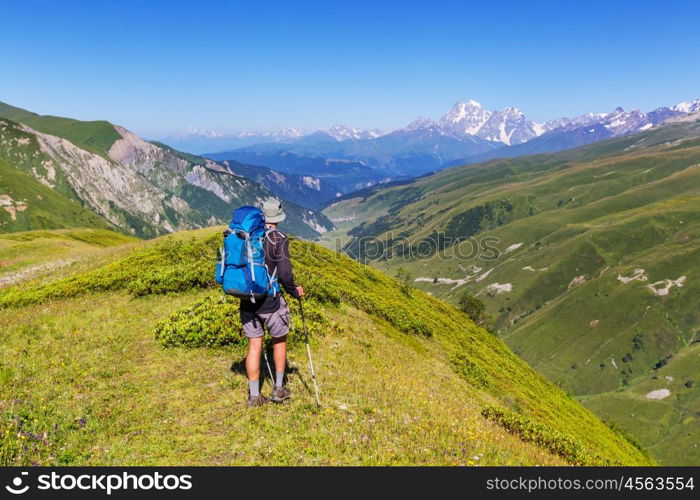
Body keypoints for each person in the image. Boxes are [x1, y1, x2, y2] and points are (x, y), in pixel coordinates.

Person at [240, 198, 304, 407]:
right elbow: (285, 274)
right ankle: (278, 389)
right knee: (279, 341)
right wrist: (295, 292)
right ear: (277, 216)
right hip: (271, 300)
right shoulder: (279, 238)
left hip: (247, 299)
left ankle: (254, 396)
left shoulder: (245, 236)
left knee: (254, 345)